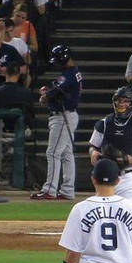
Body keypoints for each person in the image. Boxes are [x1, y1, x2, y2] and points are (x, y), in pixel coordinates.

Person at [88, 87, 132, 231]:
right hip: (105, 176)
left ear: (131, 104)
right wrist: (93, 154)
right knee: (104, 217)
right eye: (118, 101)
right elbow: (93, 146)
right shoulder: (104, 123)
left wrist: (131, 159)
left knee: (127, 222)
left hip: (127, 176)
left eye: (125, 101)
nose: (121, 104)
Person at [32, 44, 81, 200]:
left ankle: (50, 189)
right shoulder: (73, 72)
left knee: (53, 152)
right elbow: (59, 90)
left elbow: (55, 91)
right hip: (67, 115)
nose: (57, 64)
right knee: (66, 153)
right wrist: (49, 93)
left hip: (63, 116)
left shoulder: (69, 74)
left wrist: (46, 95)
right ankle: (67, 190)